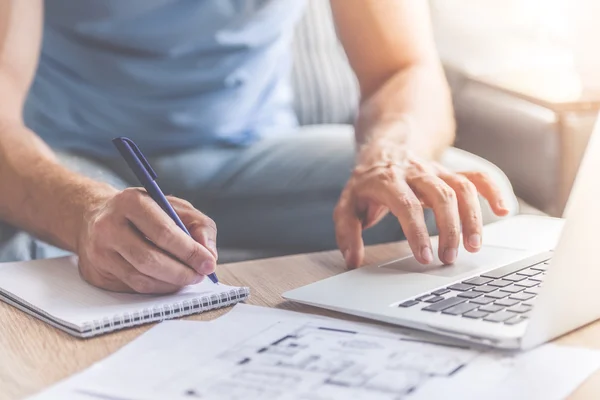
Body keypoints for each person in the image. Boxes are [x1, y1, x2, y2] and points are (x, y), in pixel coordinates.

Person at [0, 0, 510, 294]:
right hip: (78, 160)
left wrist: (390, 155)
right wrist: (84, 212)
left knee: (461, 206)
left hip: (254, 158)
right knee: (29, 257)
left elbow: (402, 67)